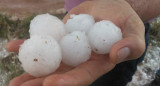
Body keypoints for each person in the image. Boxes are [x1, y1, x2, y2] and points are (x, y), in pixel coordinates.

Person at [7, 0, 160, 86]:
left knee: (111, 81)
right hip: (76, 13)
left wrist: (131, 5)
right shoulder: (66, 31)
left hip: (121, 26)